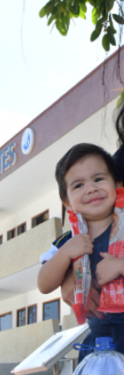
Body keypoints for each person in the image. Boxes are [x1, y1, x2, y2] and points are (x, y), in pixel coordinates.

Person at [37, 143, 124, 359]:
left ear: (118, 184)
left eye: (99, 179)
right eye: (78, 185)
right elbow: (44, 284)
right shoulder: (67, 241)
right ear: (67, 203)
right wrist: (66, 253)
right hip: (99, 339)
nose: (91, 188)